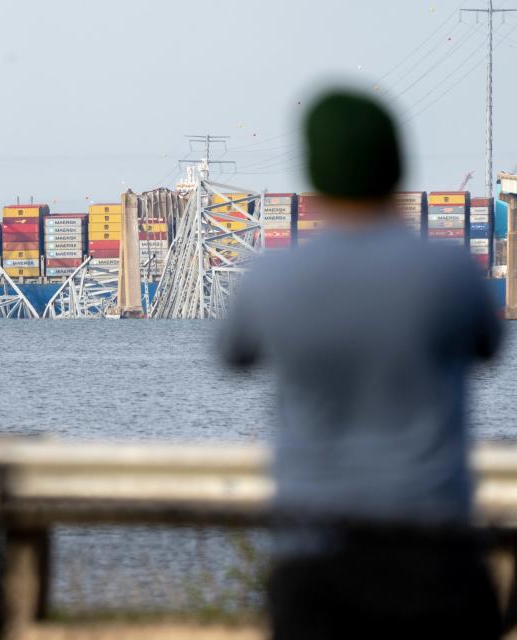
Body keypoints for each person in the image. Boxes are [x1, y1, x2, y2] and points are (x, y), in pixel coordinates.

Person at [221, 89, 504, 639]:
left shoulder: (270, 278)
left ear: (314, 173)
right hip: (434, 549)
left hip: (314, 555)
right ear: (396, 164)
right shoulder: (451, 270)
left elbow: (234, 357)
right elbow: (488, 348)